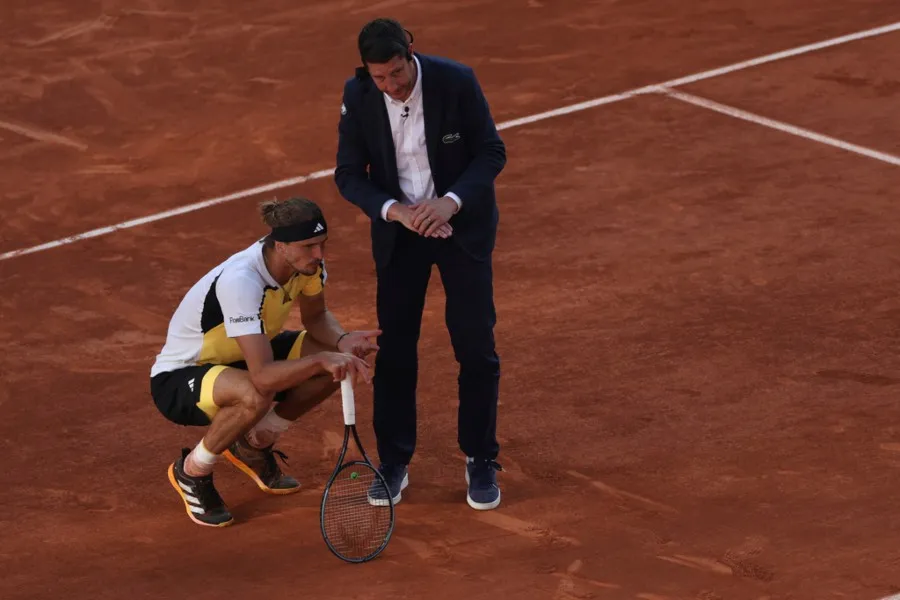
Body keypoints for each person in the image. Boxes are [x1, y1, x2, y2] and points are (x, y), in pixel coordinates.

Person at [334, 17, 507, 510]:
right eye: (380, 77)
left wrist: (449, 202)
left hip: (460, 229)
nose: (391, 85)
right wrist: (398, 212)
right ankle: (393, 462)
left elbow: (491, 151)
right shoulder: (360, 93)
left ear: (409, 54)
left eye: (397, 73)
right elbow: (349, 174)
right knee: (396, 351)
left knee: (475, 348)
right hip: (401, 236)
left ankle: (480, 457)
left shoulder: (456, 80)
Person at [149, 197, 378, 527]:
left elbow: (316, 318)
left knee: (340, 358)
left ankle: (255, 444)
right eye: (309, 245)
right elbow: (264, 377)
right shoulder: (241, 281)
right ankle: (193, 470)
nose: (319, 254)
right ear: (281, 245)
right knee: (257, 393)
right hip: (184, 376)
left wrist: (342, 342)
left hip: (245, 357)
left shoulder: (307, 266)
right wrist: (320, 360)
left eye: (322, 244)